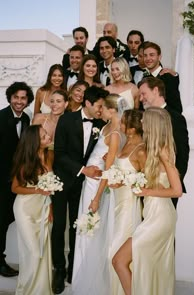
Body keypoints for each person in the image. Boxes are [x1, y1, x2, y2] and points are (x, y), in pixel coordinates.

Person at [113, 107, 183, 295]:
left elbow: (177, 190)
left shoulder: (163, 151)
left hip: (160, 217)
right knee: (146, 265)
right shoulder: (153, 149)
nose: (141, 123)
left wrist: (147, 191)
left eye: (144, 120)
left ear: (152, 124)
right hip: (153, 214)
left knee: (119, 261)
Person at [51, 86, 109, 294]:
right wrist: (83, 169)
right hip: (63, 181)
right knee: (59, 226)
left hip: (84, 187)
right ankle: (58, 269)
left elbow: (104, 149)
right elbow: (59, 154)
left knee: (79, 227)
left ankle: (73, 268)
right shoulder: (66, 120)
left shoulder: (102, 125)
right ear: (88, 103)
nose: (101, 110)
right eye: (99, 106)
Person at [71, 93, 126, 295]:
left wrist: (96, 198)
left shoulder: (115, 134)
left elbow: (109, 171)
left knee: (92, 228)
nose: (99, 110)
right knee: (85, 229)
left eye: (103, 107)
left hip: (98, 188)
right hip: (89, 182)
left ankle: (90, 278)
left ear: (112, 111)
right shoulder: (104, 128)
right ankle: (80, 272)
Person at [11, 125, 53, 295]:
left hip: (42, 208)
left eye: (46, 133)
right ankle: (26, 290)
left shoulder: (50, 155)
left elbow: (50, 185)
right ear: (35, 142)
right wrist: (38, 191)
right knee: (34, 253)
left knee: (43, 250)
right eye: (44, 136)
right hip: (25, 210)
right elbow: (15, 188)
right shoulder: (26, 162)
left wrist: (50, 208)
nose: (48, 137)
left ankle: (41, 290)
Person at [109, 109, 146, 295]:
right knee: (111, 247)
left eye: (123, 123)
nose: (120, 125)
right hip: (116, 204)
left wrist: (125, 181)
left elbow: (147, 179)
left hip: (129, 207)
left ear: (131, 129)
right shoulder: (125, 143)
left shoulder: (141, 149)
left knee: (116, 252)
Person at [138, 77, 189, 208]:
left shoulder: (176, 118)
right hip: (146, 187)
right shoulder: (143, 118)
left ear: (155, 90)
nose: (140, 99)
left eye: (143, 94)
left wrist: (170, 184)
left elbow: (182, 155)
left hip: (166, 189)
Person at [0, 81, 34, 277]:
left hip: (17, 178)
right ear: (10, 98)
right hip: (1, 179)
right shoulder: (1, 117)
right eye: (16, 97)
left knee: (10, 217)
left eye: (23, 98)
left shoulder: (27, 119)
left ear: (27, 100)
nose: (19, 101)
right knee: (2, 221)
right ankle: (0, 261)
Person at [143, 41, 183, 114]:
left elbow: (176, 108)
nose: (148, 58)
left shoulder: (168, 77)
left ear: (159, 57)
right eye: (145, 55)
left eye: (151, 55)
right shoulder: (144, 78)